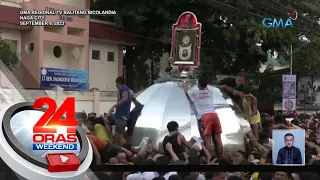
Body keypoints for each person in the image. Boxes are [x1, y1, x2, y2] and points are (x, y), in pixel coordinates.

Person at [183, 76, 223, 161]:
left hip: (205, 117)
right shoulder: (210, 91)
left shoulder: (194, 92)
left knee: (207, 141)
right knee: (218, 139)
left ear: (198, 83)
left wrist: (185, 83)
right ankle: (220, 159)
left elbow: (187, 90)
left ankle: (209, 160)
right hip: (214, 115)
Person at [108, 77, 132, 146]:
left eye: (116, 84)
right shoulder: (126, 89)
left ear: (118, 83)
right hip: (118, 116)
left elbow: (125, 98)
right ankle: (111, 138)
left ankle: (128, 149)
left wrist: (114, 106)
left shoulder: (123, 88)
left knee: (119, 138)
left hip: (122, 117)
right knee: (107, 119)